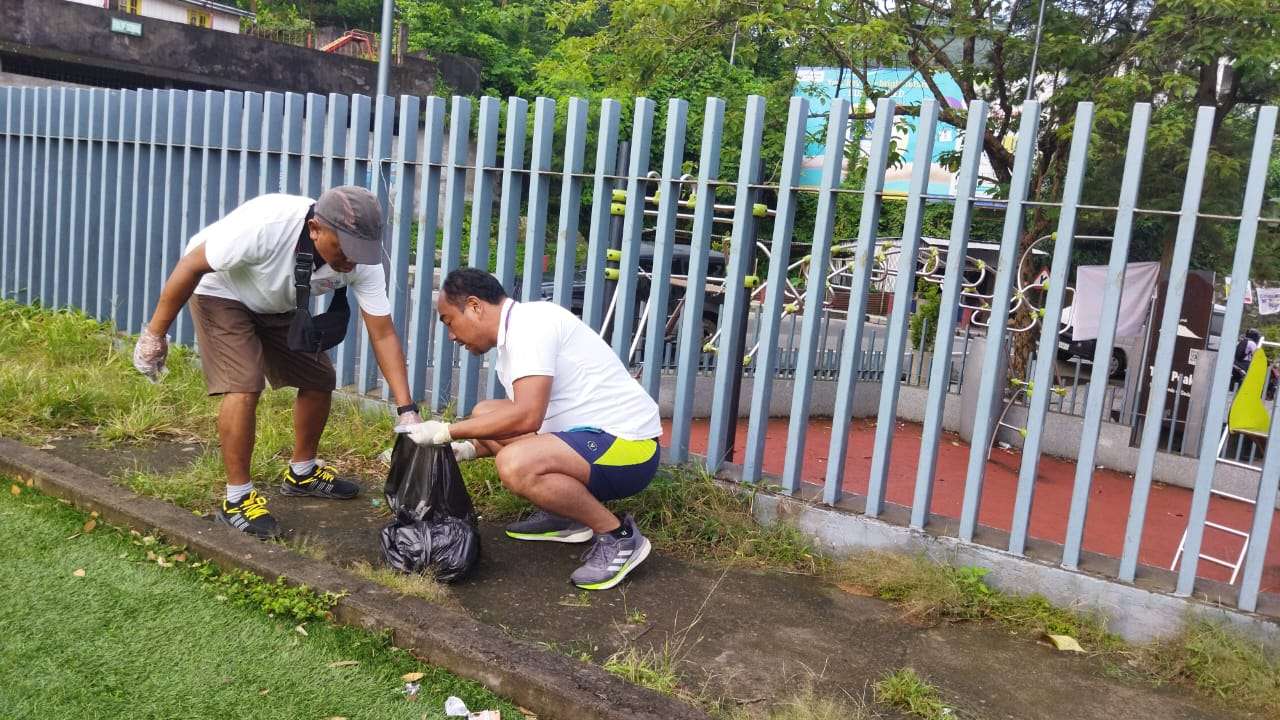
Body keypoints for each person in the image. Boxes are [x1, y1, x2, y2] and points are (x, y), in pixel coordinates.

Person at [132, 187, 422, 540]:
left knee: (318, 377)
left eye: (362, 251)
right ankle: (236, 498)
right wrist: (154, 334)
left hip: (275, 301)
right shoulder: (266, 225)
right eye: (344, 249)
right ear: (315, 229)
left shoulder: (361, 260)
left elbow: (383, 334)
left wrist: (407, 409)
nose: (352, 261)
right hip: (222, 290)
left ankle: (302, 473)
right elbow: (191, 264)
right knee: (244, 383)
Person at [403, 268, 662, 591]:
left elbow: (527, 418)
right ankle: (567, 517)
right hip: (590, 439)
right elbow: (514, 424)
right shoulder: (513, 340)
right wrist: (468, 448)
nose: (452, 336)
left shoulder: (530, 327)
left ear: (474, 306)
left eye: (449, 322)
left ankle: (619, 537)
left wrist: (446, 431)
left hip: (630, 448)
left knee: (515, 465)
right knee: (486, 412)